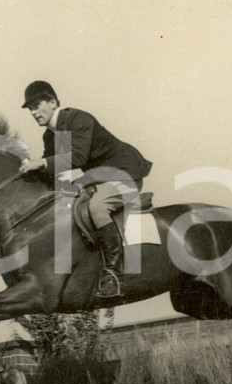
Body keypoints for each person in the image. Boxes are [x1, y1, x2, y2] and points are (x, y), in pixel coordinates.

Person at [18, 80, 152, 299]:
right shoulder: (51, 135)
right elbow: (54, 171)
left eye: (36, 105)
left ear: (53, 102)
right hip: (100, 177)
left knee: (97, 207)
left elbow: (78, 157)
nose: (33, 112)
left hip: (125, 172)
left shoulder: (79, 119)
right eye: (30, 109)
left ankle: (114, 274)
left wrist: (40, 163)